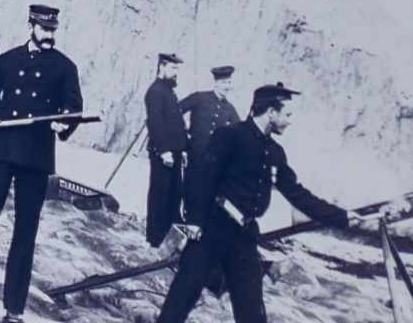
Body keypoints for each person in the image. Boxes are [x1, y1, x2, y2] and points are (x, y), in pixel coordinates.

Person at [156, 83, 392, 322]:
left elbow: (298, 194)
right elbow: (201, 179)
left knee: (253, 315)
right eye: (287, 114)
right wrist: (195, 222)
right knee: (178, 304)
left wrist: (342, 216)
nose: (290, 121)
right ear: (271, 112)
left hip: (244, 238)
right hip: (210, 231)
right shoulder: (230, 136)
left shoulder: (274, 152)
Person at [0, 3, 84, 321]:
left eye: (53, 30)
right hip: (2, 151)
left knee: (26, 231)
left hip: (36, 158)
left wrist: (65, 123)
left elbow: (74, 107)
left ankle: (14, 309)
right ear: (31, 26)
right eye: (44, 29)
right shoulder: (8, 60)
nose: (49, 35)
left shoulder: (66, 67)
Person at [181, 65, 241, 215]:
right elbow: (175, 111)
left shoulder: (230, 109)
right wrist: (184, 130)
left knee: (206, 199)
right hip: (194, 156)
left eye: (229, 83)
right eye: (224, 83)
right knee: (189, 193)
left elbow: (240, 134)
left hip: (214, 163)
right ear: (216, 83)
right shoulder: (199, 97)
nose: (227, 87)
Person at [144, 52, 188, 246]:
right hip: (164, 154)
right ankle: (154, 238)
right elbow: (155, 123)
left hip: (175, 153)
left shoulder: (169, 91)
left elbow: (175, 123)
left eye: (177, 68)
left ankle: (168, 237)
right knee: (159, 194)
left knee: (174, 194)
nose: (175, 72)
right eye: (172, 68)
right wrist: (164, 151)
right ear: (161, 67)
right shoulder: (155, 92)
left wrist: (183, 149)